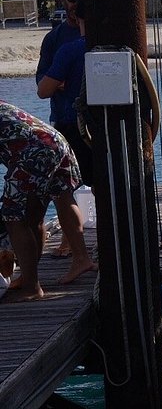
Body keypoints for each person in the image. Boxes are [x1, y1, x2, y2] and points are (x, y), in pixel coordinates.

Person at [0, 102, 96, 302]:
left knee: (13, 217)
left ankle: (32, 287)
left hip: (32, 153)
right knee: (47, 206)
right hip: (53, 142)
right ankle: (81, 258)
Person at [36, 0, 92, 186]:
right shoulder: (121, 49)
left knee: (73, 187)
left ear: (78, 18)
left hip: (76, 128)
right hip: (114, 129)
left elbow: (43, 91)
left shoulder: (69, 51)